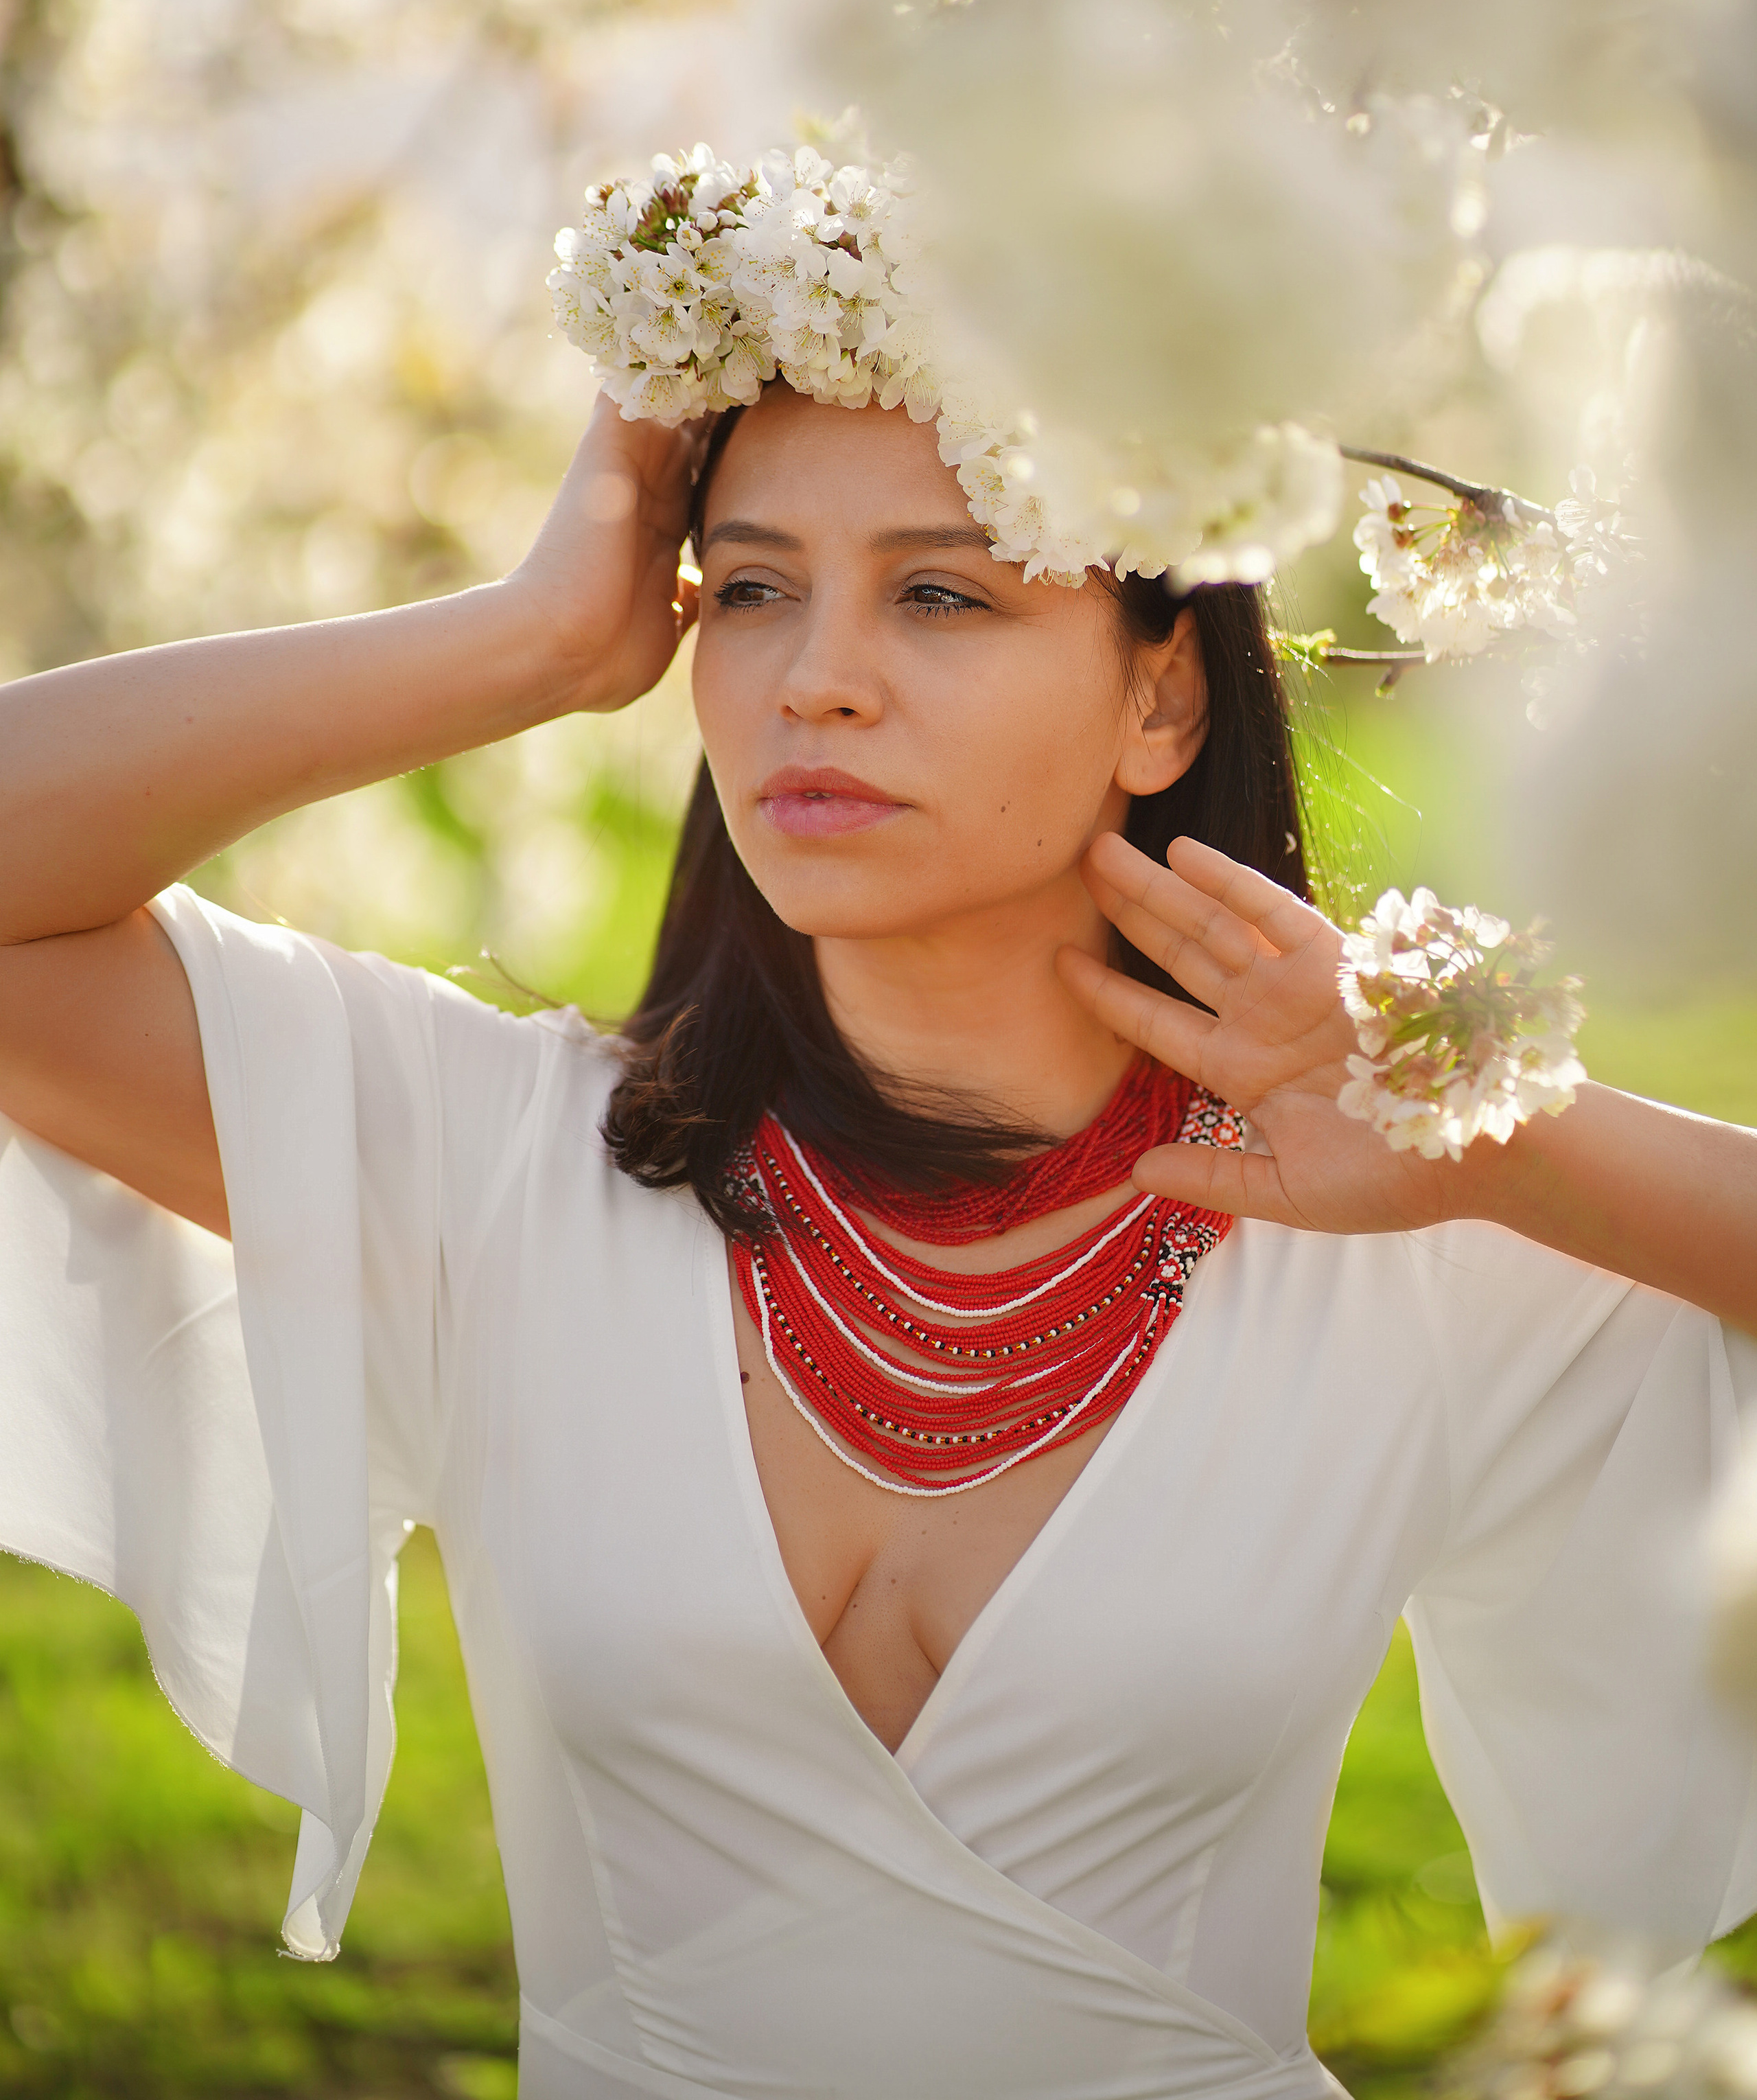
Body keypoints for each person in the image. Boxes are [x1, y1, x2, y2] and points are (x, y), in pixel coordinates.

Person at [1, 376, 1755, 2100]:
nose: (813, 682)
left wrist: (1494, 1138)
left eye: (939, 594)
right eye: (750, 590)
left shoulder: (1404, 1223)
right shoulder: (491, 1160)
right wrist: (535, 640)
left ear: (1159, 698)